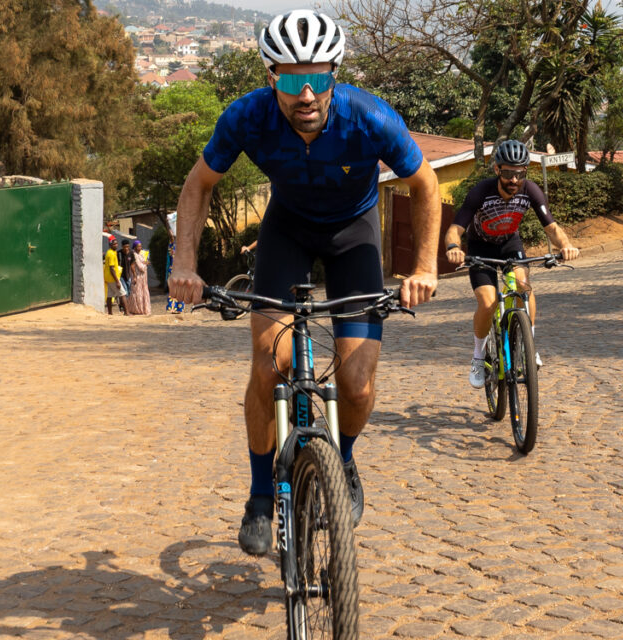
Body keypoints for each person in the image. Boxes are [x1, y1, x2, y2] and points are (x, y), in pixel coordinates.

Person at [167, 9, 441, 556]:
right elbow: (198, 185)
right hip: (286, 232)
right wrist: (184, 264)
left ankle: (342, 462)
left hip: (354, 235)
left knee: (357, 384)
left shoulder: (370, 117)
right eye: (292, 82)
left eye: (318, 78)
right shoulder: (247, 116)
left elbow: (425, 184)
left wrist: (425, 268)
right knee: (271, 365)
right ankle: (260, 495)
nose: (307, 94)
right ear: (271, 78)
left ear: (335, 74)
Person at [443, 139, 579, 389]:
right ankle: (478, 356)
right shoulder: (480, 192)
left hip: (509, 243)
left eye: (519, 174)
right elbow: (455, 229)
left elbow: (551, 227)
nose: (514, 180)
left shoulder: (531, 191)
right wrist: (453, 247)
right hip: (481, 248)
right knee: (488, 302)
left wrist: (566, 245)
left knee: (523, 286)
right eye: (507, 173)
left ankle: (528, 346)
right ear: (497, 169)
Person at [126, 239, 152, 314]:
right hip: (137, 276)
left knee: (143, 292)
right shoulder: (134, 255)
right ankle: (137, 309)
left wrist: (145, 262)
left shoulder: (141, 254)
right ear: (134, 247)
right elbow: (141, 267)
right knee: (137, 292)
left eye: (140, 246)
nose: (140, 248)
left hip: (143, 278)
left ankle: (144, 309)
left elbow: (143, 262)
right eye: (138, 246)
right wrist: (146, 265)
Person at [103, 237, 126, 315]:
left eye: (116, 243)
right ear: (110, 245)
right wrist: (117, 281)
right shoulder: (111, 254)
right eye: (114, 244)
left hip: (108, 277)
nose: (116, 245)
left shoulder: (109, 252)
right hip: (113, 278)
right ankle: (127, 312)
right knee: (122, 294)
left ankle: (110, 313)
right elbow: (112, 268)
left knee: (109, 295)